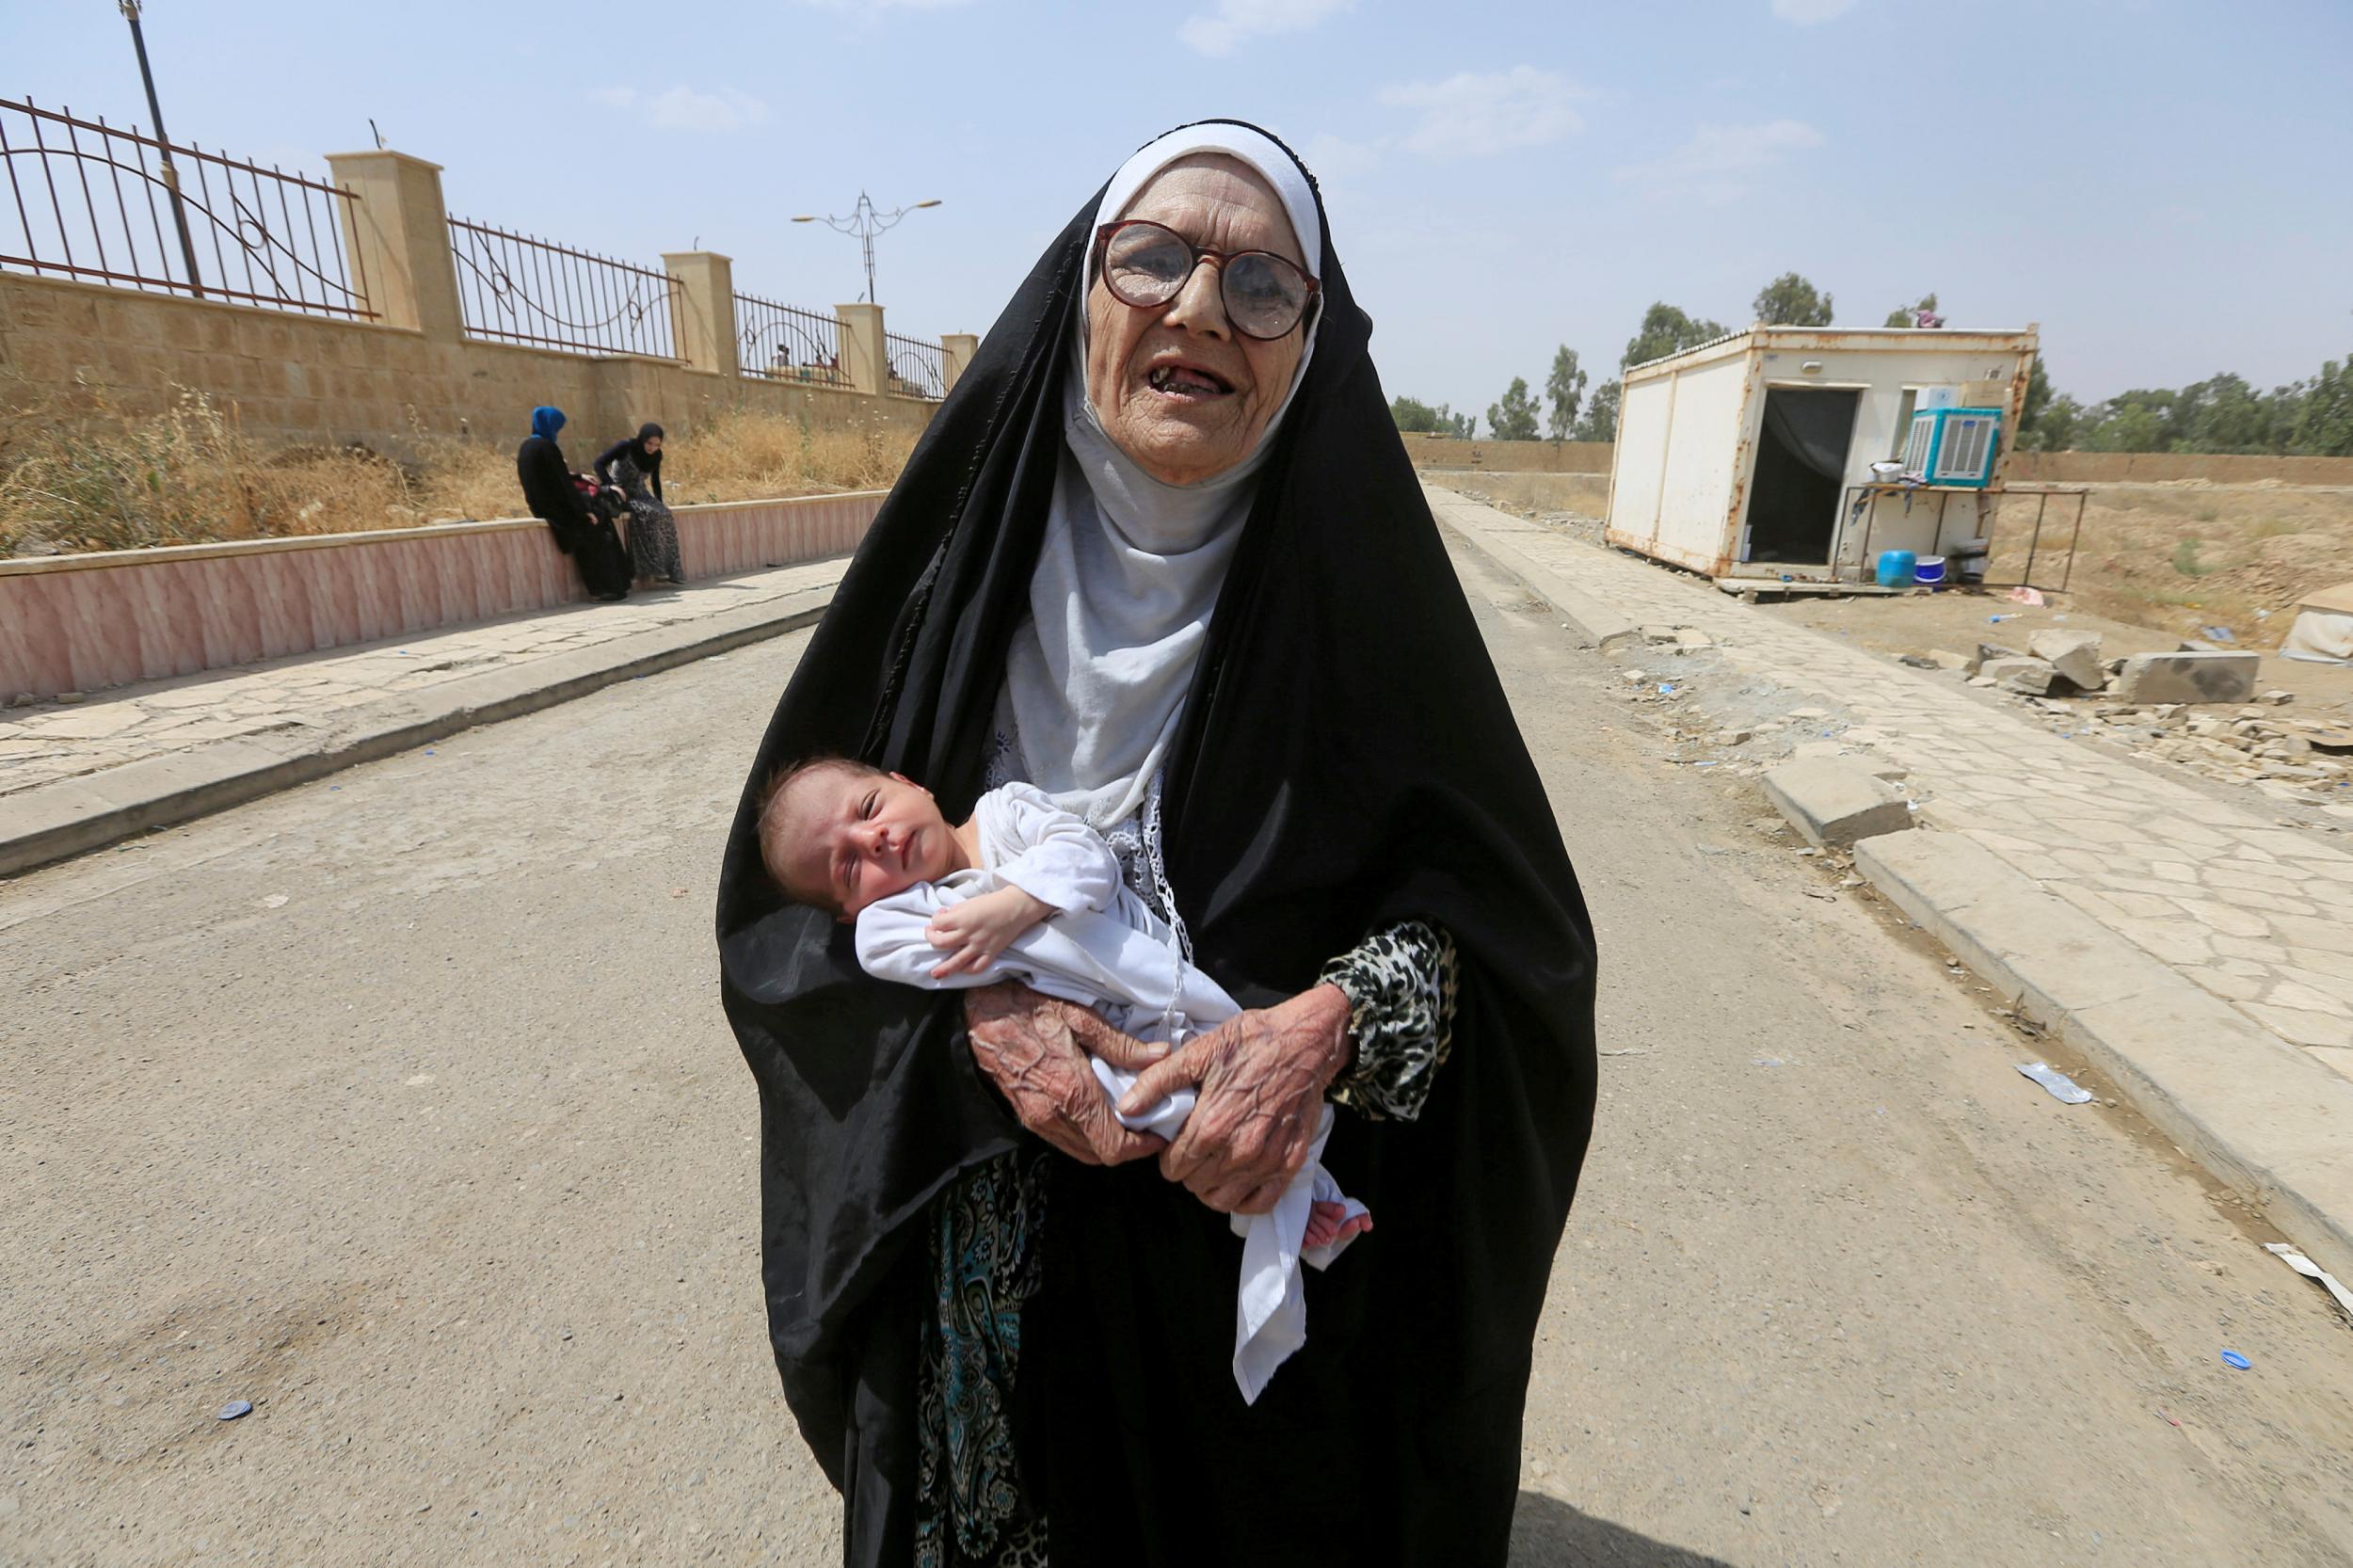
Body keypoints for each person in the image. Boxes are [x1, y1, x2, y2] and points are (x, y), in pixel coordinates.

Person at [717, 120, 1598, 1567]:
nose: (1197, 310)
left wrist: (1319, 1027)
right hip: (994, 1291)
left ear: (1310, 343)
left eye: (1262, 285)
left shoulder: (1367, 619)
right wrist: (981, 1004)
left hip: (1251, 1303)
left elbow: (1511, 951)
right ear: (1082, 292)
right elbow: (787, 905)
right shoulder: (953, 580)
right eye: (1153, 260)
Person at [757, 755, 1373, 1401]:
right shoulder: (907, 918)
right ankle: (1288, 1201)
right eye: (850, 868)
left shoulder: (1006, 813)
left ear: (908, 784)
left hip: (1141, 977)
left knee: (1238, 1071)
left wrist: (1014, 908)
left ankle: (1300, 1180)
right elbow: (884, 946)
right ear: (851, 910)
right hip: (1085, 1035)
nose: (875, 840)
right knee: (1156, 1112)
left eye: (869, 809)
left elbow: (1089, 861)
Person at [515, 406, 628, 601]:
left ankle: (612, 583)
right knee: (598, 523)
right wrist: (584, 511)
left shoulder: (527, 446)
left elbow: (552, 476)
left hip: (541, 505)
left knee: (596, 514)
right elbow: (563, 486)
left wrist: (578, 476)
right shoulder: (548, 447)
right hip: (557, 509)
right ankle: (608, 586)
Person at [595, 421, 681, 586]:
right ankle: (650, 567)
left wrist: (660, 502)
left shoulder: (656, 455)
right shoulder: (625, 447)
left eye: (657, 445)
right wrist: (610, 485)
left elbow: (655, 480)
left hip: (640, 492)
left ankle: (670, 568)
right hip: (621, 492)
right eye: (649, 443)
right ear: (642, 439)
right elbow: (598, 464)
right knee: (646, 513)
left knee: (664, 514)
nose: (652, 448)